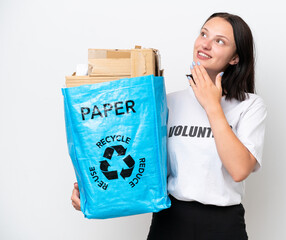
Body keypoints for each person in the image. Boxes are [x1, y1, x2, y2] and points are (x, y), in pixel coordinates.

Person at [71, 12, 266, 240]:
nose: (205, 44)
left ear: (235, 58)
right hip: (170, 221)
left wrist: (212, 105)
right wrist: (93, 193)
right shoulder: (168, 102)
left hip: (223, 226)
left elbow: (239, 170)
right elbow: (144, 168)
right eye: (204, 34)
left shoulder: (250, 106)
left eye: (219, 41)